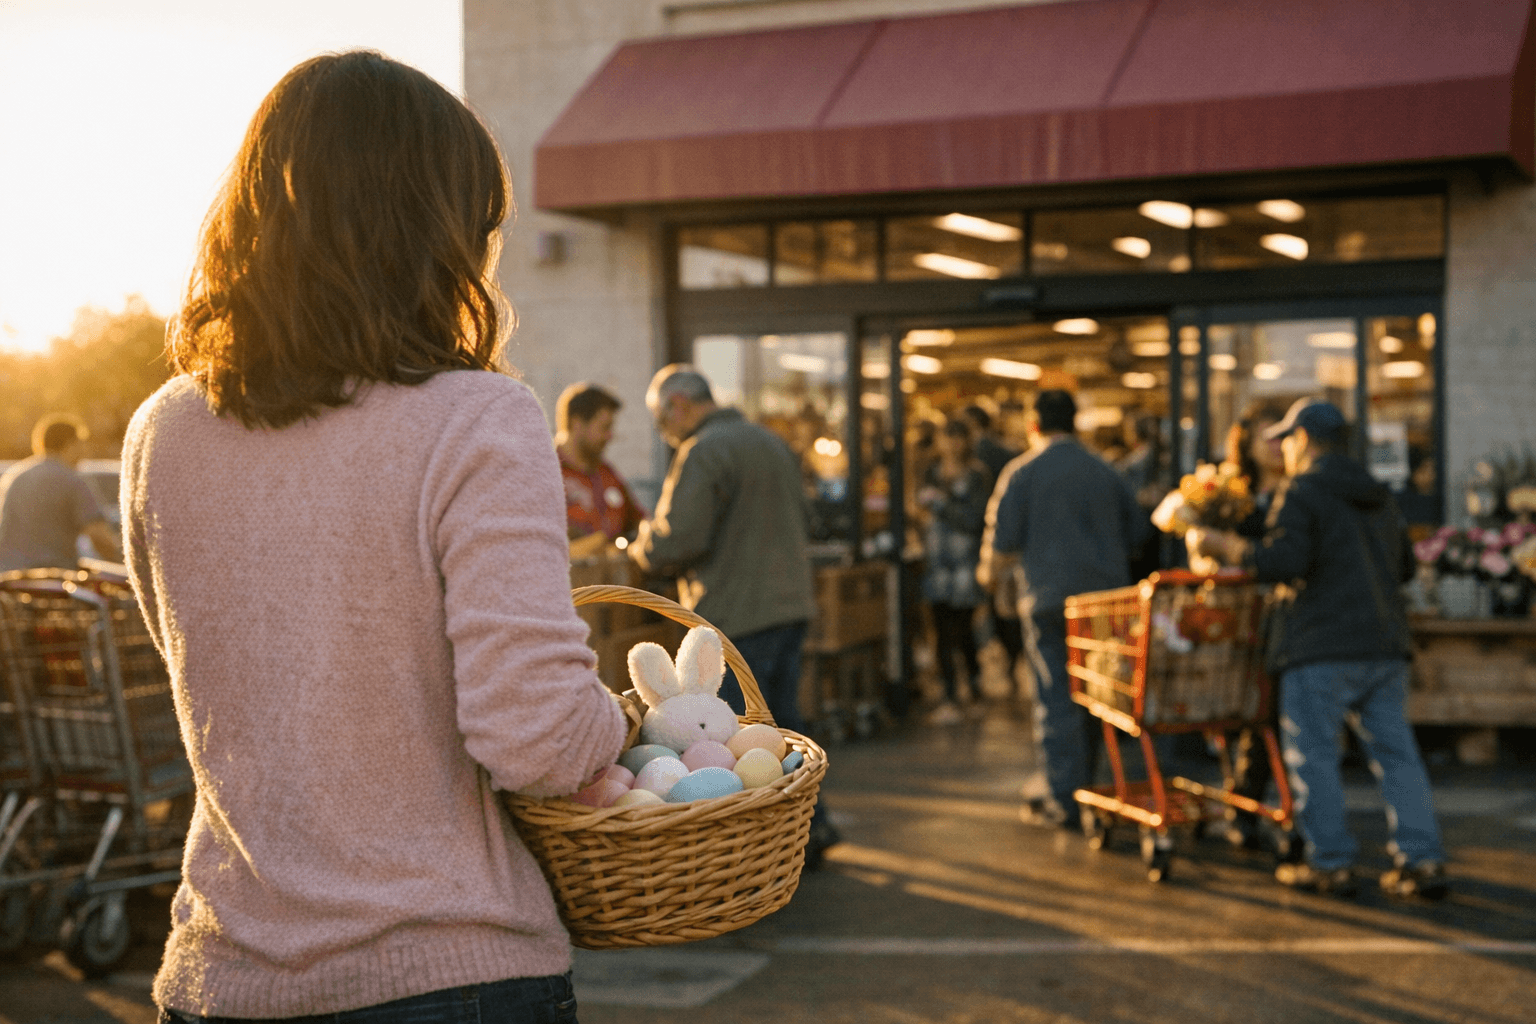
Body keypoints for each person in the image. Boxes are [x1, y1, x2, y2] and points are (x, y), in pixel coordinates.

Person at [121, 52, 626, 1021]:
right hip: (444, 965)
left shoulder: (163, 429)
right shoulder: (478, 416)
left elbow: (214, 673)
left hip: (224, 971)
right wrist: (621, 725)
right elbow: (536, 735)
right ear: (434, 233)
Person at [1194, 399, 1447, 899]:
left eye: (1288, 438)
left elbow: (1284, 561)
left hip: (1319, 646)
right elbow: (1404, 567)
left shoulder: (1301, 490)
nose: (1285, 449)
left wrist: (1226, 547)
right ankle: (1422, 861)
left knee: (1314, 757)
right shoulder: (1378, 494)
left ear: (1305, 440)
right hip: (1384, 644)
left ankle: (1330, 863)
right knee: (1397, 756)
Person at [629, 364, 839, 862]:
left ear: (679, 405)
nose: (664, 433)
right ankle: (809, 828)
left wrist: (641, 547)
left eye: (661, 421)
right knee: (782, 731)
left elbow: (678, 539)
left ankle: (743, 853)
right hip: (789, 604)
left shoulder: (703, 451)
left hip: (739, 612)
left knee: (726, 747)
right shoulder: (769, 441)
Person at [981, 390, 1145, 829]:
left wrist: (990, 582)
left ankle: (1065, 798)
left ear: (1034, 424)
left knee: (1056, 698)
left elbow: (999, 544)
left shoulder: (1022, 472)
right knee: (1099, 696)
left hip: (1048, 601)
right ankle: (1090, 787)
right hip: (1105, 606)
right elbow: (1138, 531)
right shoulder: (1105, 470)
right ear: (1075, 423)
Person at [917, 418, 992, 724]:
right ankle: (949, 695)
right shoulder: (932, 472)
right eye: (946, 437)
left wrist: (940, 505)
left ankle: (973, 689)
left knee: (964, 631)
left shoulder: (976, 476)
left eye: (957, 437)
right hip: (937, 565)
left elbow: (975, 519)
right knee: (942, 633)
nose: (951, 444)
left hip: (965, 566)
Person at [0, 414, 121, 572]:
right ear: (71, 444)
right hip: (52, 577)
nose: (85, 450)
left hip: (8, 576)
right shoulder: (72, 480)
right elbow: (100, 539)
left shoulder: (16, 477)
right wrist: (125, 565)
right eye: (81, 443)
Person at [554, 381, 647, 542]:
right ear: (577, 424)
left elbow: (639, 522)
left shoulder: (607, 474)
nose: (610, 436)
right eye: (604, 427)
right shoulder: (545, 474)